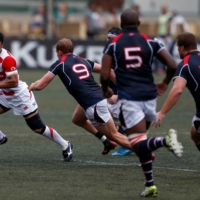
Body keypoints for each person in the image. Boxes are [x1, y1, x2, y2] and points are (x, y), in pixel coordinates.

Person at [100, 9, 183, 197]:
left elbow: (105, 74)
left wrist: (105, 89)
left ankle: (166, 140)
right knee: (141, 141)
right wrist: (163, 82)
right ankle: (150, 184)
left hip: (130, 97)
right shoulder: (150, 40)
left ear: (121, 25)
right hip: (149, 95)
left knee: (136, 144)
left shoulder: (113, 44)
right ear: (138, 22)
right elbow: (171, 64)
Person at [29, 38, 133, 153]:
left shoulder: (60, 64)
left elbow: (40, 85)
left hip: (93, 105)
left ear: (59, 52)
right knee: (78, 119)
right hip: (97, 98)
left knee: (115, 135)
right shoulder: (83, 60)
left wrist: (31, 87)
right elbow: (110, 71)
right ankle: (106, 141)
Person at [0, 32, 73, 162]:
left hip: (20, 96)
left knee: (37, 127)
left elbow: (14, 81)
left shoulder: (7, 59)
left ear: (1, 44)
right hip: (4, 94)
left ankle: (65, 145)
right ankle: (1, 137)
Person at [153, 32, 200, 153]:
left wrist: (162, 112)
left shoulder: (184, 64)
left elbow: (178, 90)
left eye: (178, 48)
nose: (178, 50)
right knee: (195, 134)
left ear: (182, 48)